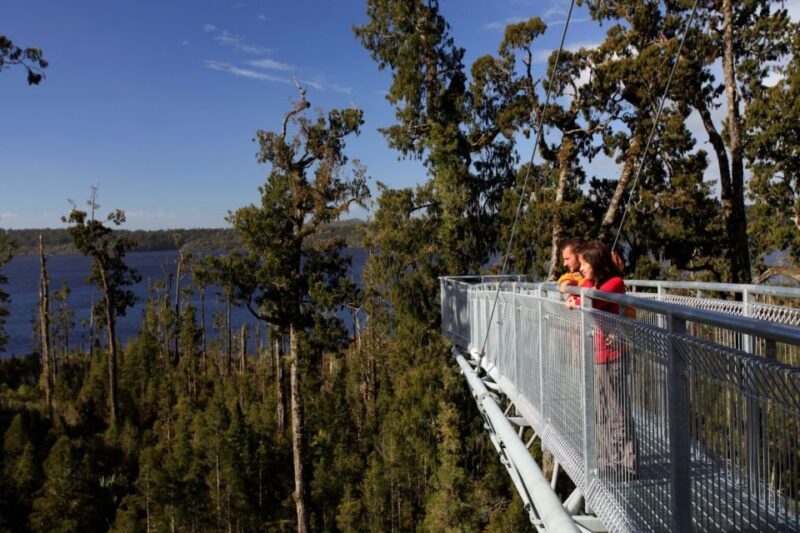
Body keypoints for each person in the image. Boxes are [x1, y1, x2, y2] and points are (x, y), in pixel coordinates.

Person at [566, 240, 638, 477]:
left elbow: (588, 301)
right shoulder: (597, 282)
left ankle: (627, 464)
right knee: (601, 412)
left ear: (596, 263)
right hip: (598, 354)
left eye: (585, 264)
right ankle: (608, 461)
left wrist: (577, 296)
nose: (580, 269)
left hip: (613, 356)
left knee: (617, 411)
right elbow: (582, 295)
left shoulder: (615, 283)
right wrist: (580, 290)